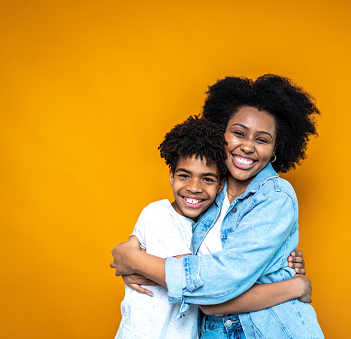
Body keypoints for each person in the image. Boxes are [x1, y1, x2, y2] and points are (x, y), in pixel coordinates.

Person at [111, 74, 324, 338]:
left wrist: (136, 261)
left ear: (275, 149)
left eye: (262, 139)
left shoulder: (276, 197)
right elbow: (180, 254)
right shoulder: (208, 196)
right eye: (238, 133)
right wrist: (136, 255)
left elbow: (219, 281)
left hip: (268, 329)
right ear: (222, 132)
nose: (247, 147)